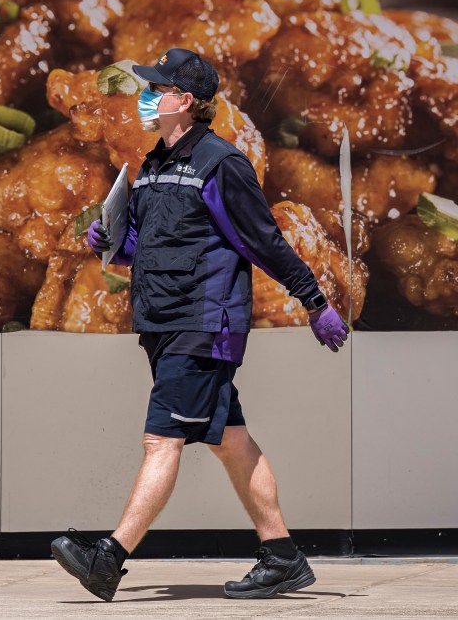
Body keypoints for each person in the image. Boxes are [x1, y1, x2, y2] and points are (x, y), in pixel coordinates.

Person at [50, 48, 349, 602]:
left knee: (160, 441)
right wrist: (111, 243)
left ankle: (108, 559)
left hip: (202, 322)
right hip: (162, 321)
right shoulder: (153, 164)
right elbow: (151, 246)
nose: (144, 96)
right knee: (231, 442)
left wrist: (314, 301)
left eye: (155, 88)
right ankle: (282, 556)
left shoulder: (222, 163)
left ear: (184, 101)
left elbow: (264, 240)